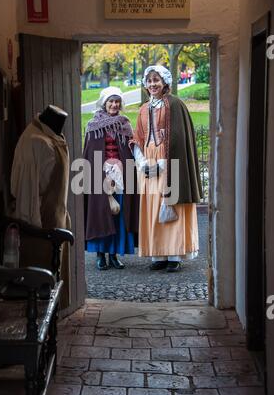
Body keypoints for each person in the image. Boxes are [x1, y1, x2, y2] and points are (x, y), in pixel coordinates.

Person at [131, 66, 202, 272]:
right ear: (145, 84)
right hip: (148, 161)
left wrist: (165, 163)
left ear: (165, 82)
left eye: (157, 80)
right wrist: (142, 160)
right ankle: (159, 254)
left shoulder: (175, 104)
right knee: (153, 207)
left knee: (172, 203)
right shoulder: (144, 108)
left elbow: (179, 138)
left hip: (170, 161)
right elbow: (138, 136)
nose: (153, 84)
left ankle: (174, 254)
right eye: (150, 80)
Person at [11, 105, 71, 307]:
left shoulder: (51, 137)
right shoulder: (35, 143)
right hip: (40, 224)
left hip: (56, 214)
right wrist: (34, 231)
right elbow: (26, 192)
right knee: (41, 285)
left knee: (54, 279)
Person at [83, 87, 139, 270]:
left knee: (118, 212)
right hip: (101, 172)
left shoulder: (125, 124)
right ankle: (100, 254)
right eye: (111, 102)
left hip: (121, 173)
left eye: (117, 102)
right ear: (104, 103)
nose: (114, 105)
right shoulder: (93, 125)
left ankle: (114, 254)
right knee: (102, 211)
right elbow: (89, 153)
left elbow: (130, 149)